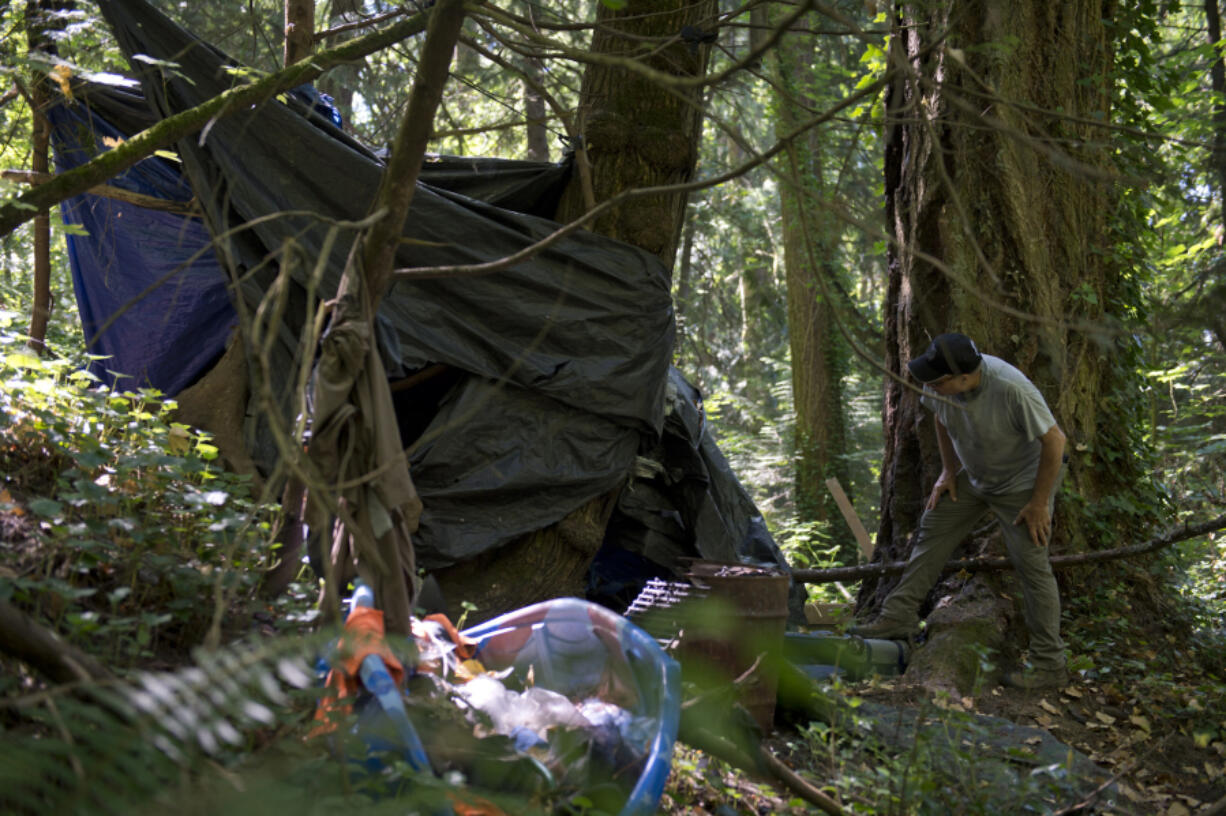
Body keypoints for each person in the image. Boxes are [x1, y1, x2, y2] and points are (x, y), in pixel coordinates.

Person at [851, 333, 1069, 690]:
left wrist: (1039, 502)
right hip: (978, 476)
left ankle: (1049, 665)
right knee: (933, 528)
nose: (931, 388)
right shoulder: (940, 388)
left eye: (938, 382)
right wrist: (949, 471)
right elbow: (940, 417)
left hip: (1023, 482)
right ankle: (898, 616)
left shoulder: (1011, 389)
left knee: (1032, 565)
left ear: (966, 377)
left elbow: (1056, 442)